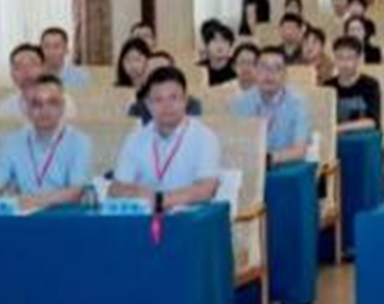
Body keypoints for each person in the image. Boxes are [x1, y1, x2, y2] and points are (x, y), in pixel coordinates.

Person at [109, 67, 223, 209]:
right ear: (148, 104)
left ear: (186, 100)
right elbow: (116, 189)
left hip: (189, 217)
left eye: (173, 98)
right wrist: (137, 194)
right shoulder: (135, 139)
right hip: (145, 217)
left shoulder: (205, 137)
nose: (167, 106)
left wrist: (160, 200)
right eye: (158, 99)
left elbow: (205, 189)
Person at [0, 75, 93, 210]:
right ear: (27, 110)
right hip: (23, 216)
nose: (44, 110)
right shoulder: (12, 142)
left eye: (52, 102)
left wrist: (32, 201)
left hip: (64, 216)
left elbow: (76, 192)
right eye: (36, 104)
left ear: (62, 107)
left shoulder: (80, 141)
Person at [229, 46, 312, 166]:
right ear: (255, 71)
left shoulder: (298, 103)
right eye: (264, 68)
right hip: (250, 167)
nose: (269, 74)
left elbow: (300, 151)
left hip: (287, 167)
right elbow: (234, 146)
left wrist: (268, 159)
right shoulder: (240, 103)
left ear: (285, 75)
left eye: (277, 68)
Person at [0, 43, 78, 121]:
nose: (26, 70)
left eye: (33, 64)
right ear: (12, 75)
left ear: (45, 70)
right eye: (18, 66)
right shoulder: (5, 108)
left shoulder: (64, 103)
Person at [324, 35, 382, 130]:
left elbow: (372, 122)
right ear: (334, 59)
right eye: (340, 57)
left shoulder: (370, 85)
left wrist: (338, 129)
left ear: (359, 59)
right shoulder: (327, 86)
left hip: (363, 136)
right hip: (335, 137)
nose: (344, 63)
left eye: (350, 58)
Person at [200, 21, 239, 87]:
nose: (220, 45)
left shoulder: (237, 66)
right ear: (206, 45)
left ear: (230, 46)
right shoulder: (199, 69)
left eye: (224, 41)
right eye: (215, 40)